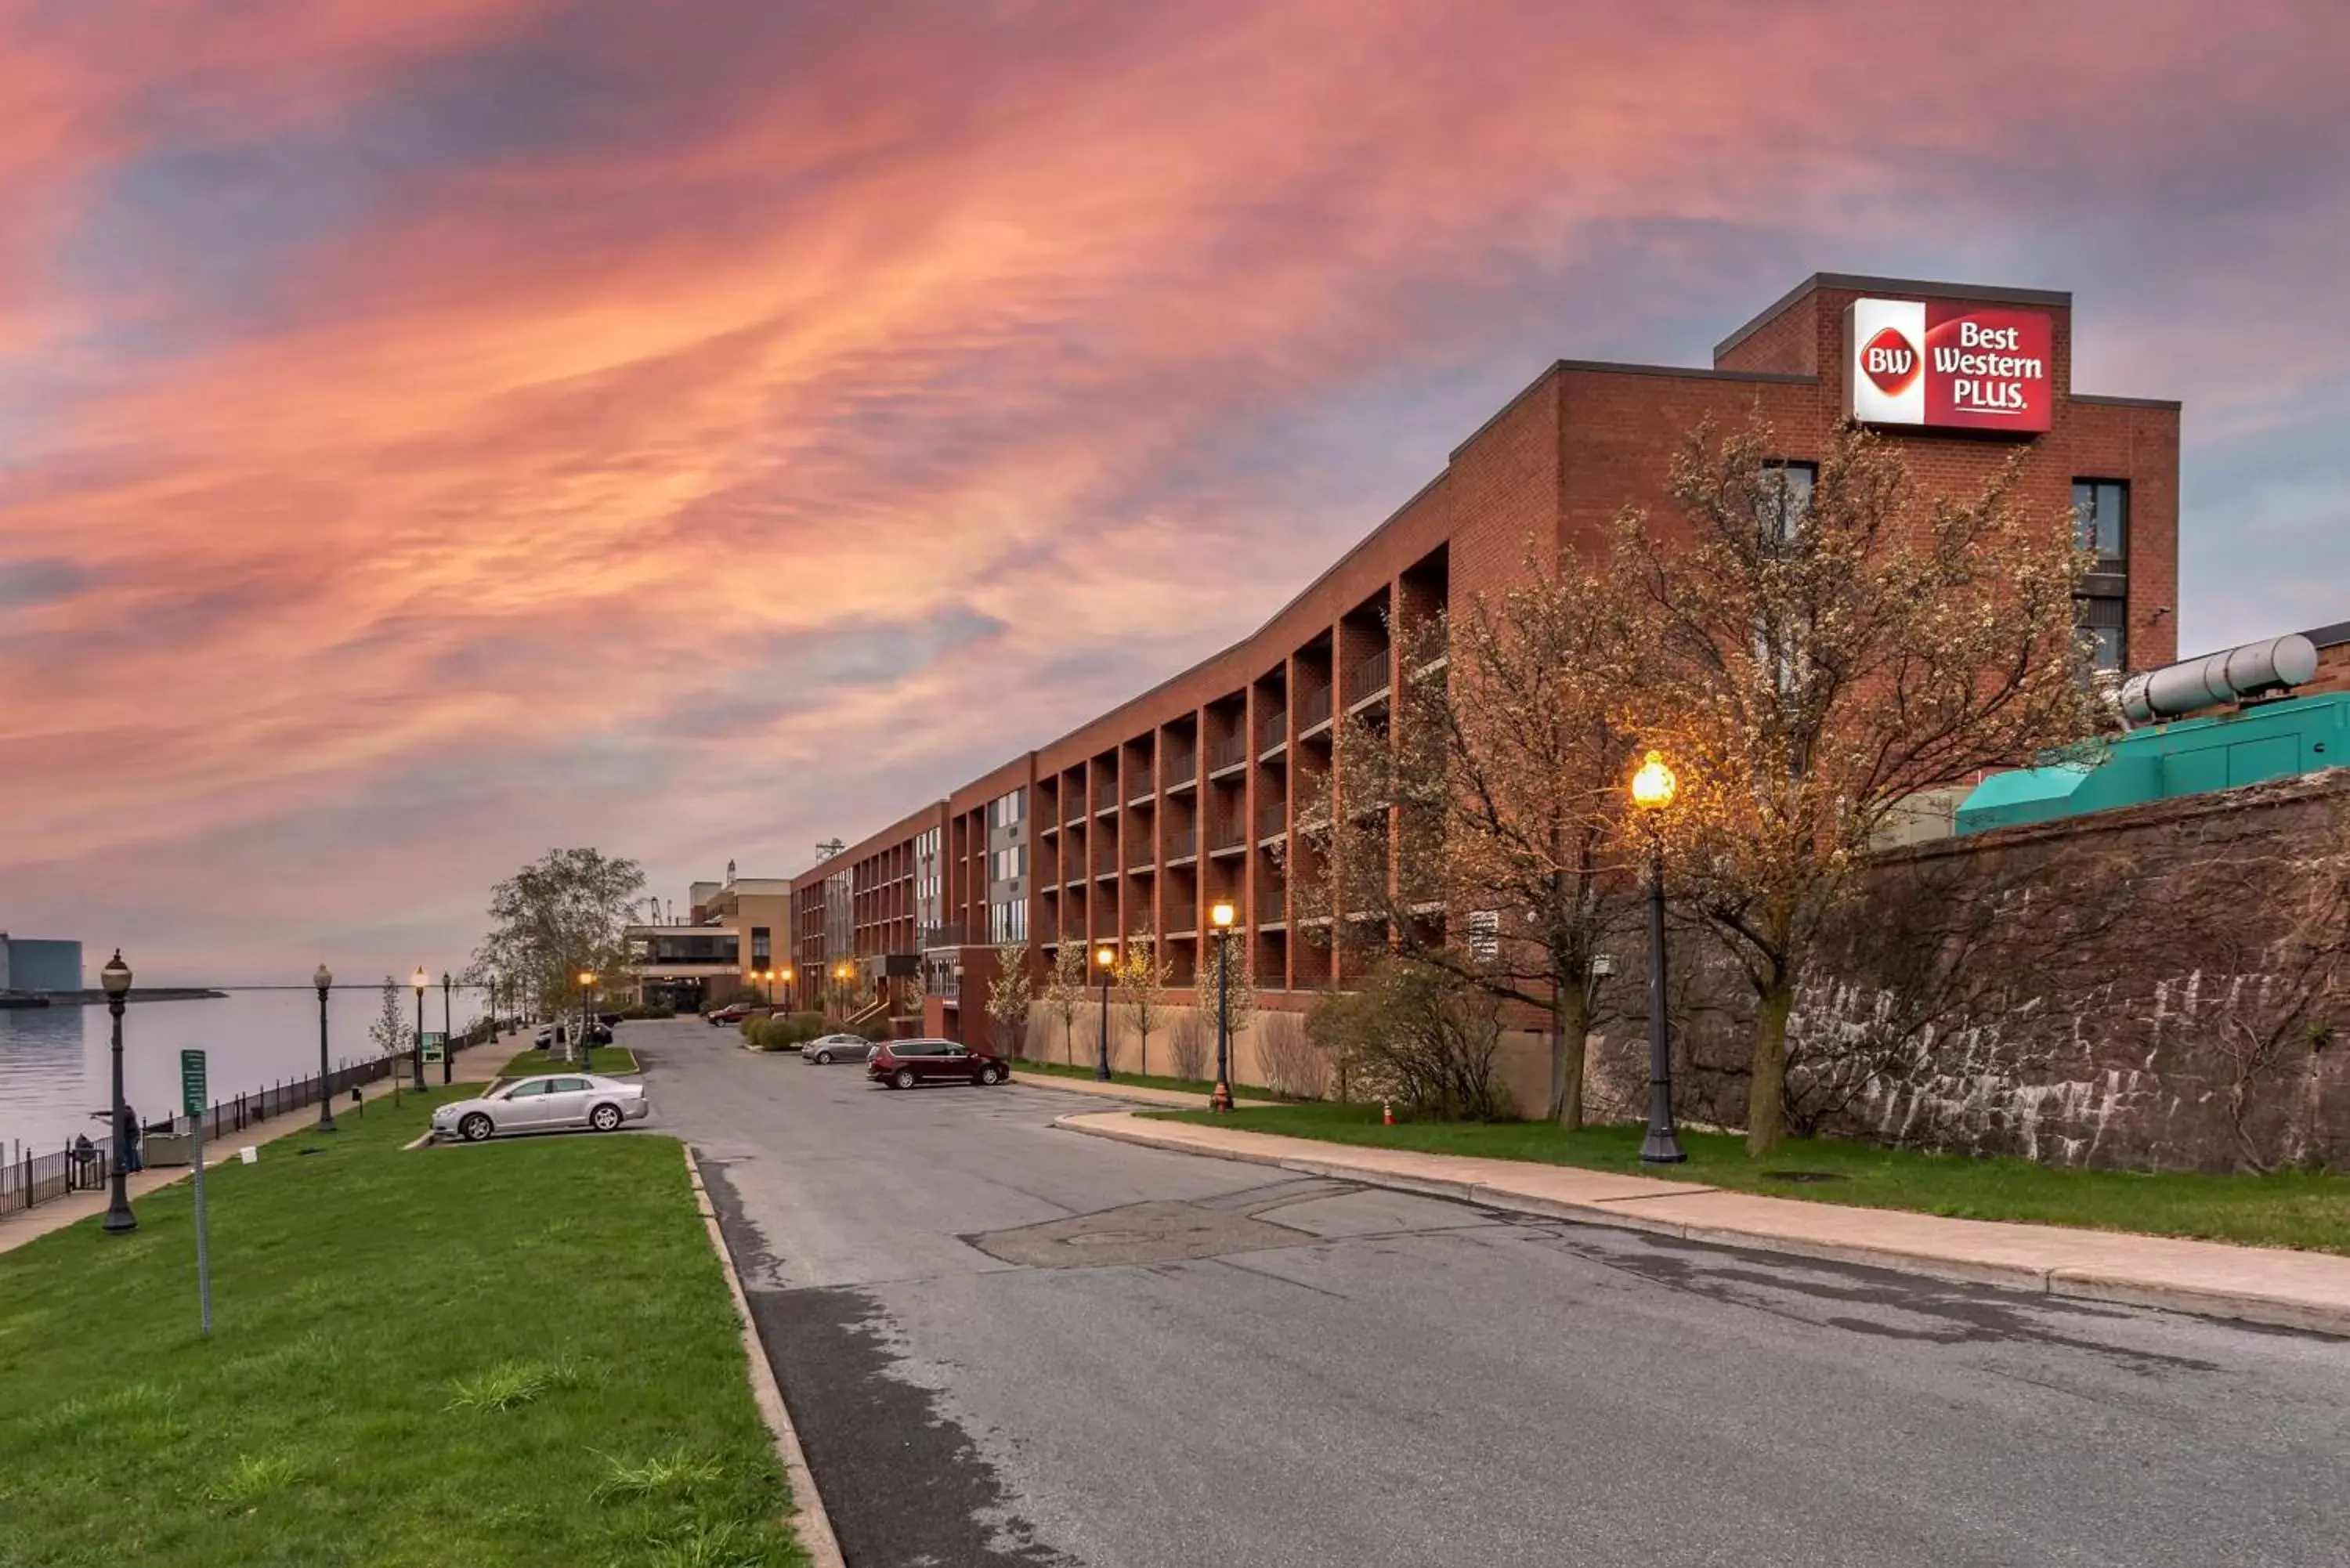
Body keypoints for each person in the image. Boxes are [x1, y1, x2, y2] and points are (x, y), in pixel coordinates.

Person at [118, 1105, 143, 1173]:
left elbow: (116, 1114)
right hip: (132, 1134)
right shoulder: (128, 1112)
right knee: (133, 1151)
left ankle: (132, 1168)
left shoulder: (127, 1113)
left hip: (132, 1135)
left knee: (130, 1151)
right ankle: (138, 1167)